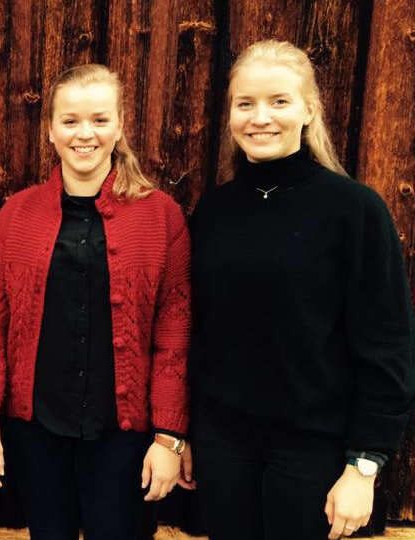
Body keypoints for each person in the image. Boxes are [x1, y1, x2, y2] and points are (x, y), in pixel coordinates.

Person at [189, 39, 415, 540]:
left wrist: (364, 465)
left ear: (309, 110)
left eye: (279, 101)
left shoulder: (354, 210)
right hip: (224, 446)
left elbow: (387, 343)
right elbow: (202, 331)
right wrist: (185, 435)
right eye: (245, 103)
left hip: (313, 448)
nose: (260, 118)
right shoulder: (215, 211)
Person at [0, 63, 192, 539]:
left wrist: (169, 436)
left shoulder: (160, 216)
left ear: (120, 126)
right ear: (50, 129)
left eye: (99, 119)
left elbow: (174, 331)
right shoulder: (16, 216)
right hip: (38, 432)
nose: (84, 133)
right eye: (70, 120)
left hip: (125, 438)